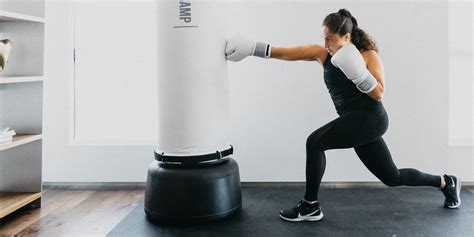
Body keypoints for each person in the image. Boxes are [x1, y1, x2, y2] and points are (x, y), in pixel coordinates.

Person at [224, 8, 462, 222]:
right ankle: (445, 181)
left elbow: (379, 93)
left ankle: (310, 206)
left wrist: (358, 73)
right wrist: (251, 48)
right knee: (392, 176)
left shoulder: (368, 55)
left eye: (330, 38)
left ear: (346, 38)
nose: (326, 43)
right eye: (323, 37)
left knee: (315, 142)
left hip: (371, 118)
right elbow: (285, 53)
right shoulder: (323, 54)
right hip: (355, 122)